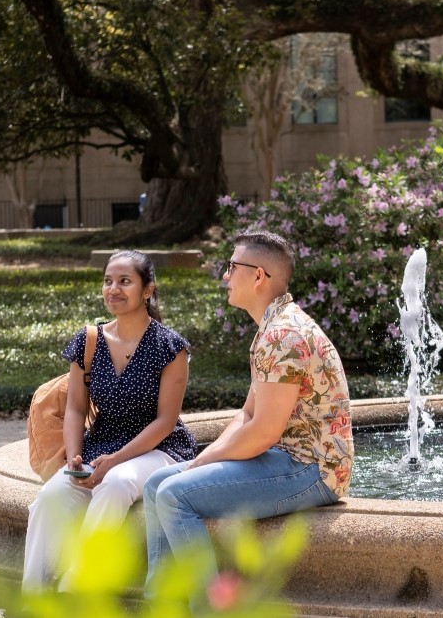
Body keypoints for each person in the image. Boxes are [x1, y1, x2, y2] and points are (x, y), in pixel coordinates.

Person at [140, 230, 352, 597]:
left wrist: (203, 462)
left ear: (258, 276)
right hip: (286, 460)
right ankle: (158, 599)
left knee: (175, 495)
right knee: (155, 484)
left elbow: (263, 432)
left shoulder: (283, 335)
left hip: (312, 470)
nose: (225, 276)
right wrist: (205, 459)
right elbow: (247, 415)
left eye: (231, 267)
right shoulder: (273, 327)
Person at [22, 250, 196, 590]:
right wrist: (74, 458)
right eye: (108, 281)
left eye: (125, 281)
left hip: (158, 448)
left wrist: (115, 461)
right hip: (99, 445)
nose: (113, 289)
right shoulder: (88, 341)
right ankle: (32, 598)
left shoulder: (171, 347)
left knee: (115, 484)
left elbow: (165, 421)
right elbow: (74, 408)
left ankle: (75, 589)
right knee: (51, 498)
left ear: (148, 290)